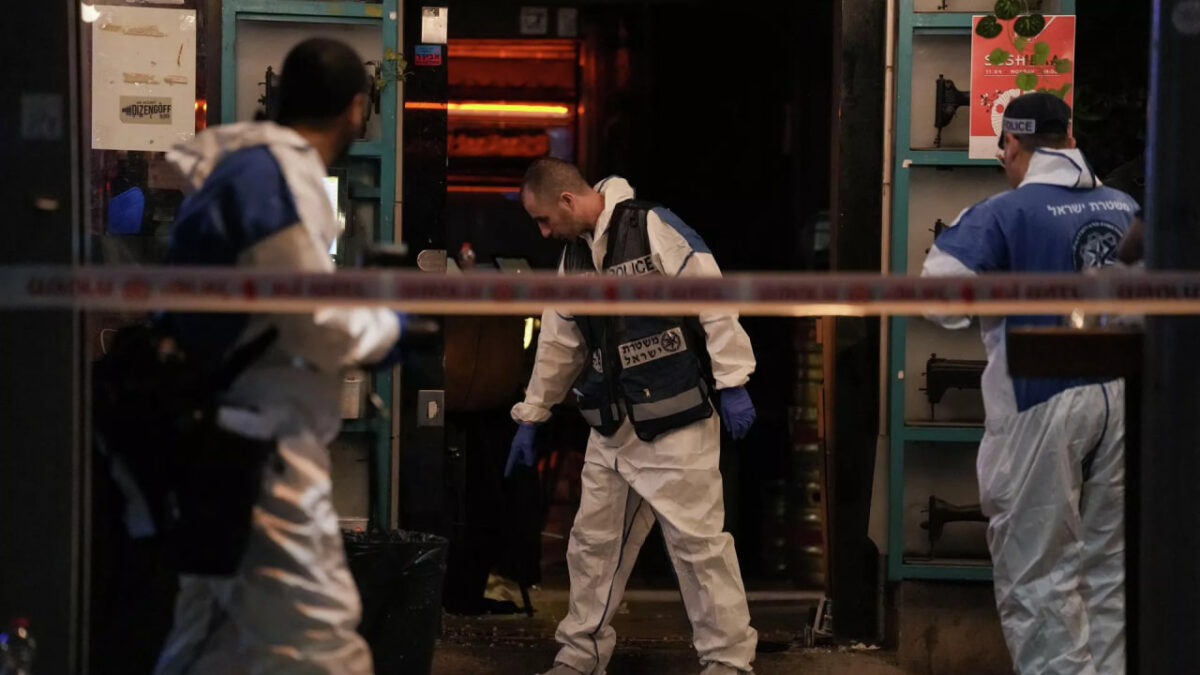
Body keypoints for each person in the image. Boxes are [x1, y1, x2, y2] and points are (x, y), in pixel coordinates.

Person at [154, 38, 403, 674]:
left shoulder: (242, 167)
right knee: (325, 648)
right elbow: (309, 320)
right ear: (356, 109)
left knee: (207, 646)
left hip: (212, 445)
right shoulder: (279, 177)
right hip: (259, 458)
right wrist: (388, 328)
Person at [507, 158, 759, 675]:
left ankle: (729, 662)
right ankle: (580, 656)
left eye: (544, 220)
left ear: (567, 201)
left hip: (675, 423)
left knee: (699, 550)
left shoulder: (652, 227)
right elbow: (559, 342)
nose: (543, 232)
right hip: (613, 429)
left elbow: (713, 296)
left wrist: (733, 379)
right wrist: (533, 414)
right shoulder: (575, 259)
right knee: (592, 546)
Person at [922, 93, 1138, 675]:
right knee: (1108, 571)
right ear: (1070, 136)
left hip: (1038, 397)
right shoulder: (1125, 206)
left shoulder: (1003, 213)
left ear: (1012, 144)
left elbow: (939, 299)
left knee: (1039, 574)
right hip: (1119, 395)